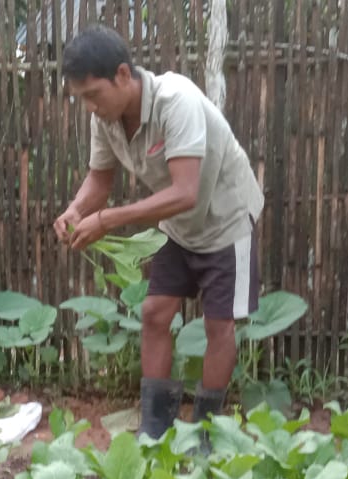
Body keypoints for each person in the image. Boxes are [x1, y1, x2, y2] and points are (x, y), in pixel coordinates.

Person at [52, 25, 265, 443]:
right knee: (153, 313)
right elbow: (99, 180)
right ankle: (155, 430)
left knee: (219, 326)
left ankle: (207, 434)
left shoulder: (175, 101)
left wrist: (109, 220)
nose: (90, 107)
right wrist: (76, 211)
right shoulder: (107, 118)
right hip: (180, 226)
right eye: (81, 99)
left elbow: (185, 192)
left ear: (124, 75)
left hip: (226, 220)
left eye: (93, 94)